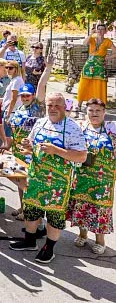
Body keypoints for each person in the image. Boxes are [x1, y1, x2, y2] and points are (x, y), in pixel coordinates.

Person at [9, 92, 88, 264]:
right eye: (49, 105)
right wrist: (28, 146)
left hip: (58, 184)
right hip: (36, 178)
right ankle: (29, 241)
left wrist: (56, 150)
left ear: (64, 108)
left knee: (53, 217)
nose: (52, 109)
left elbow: (82, 156)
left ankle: (49, 248)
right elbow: (33, 145)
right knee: (31, 211)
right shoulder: (40, 122)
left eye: (56, 106)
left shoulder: (72, 128)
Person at [67, 98, 115, 255]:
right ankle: (82, 235)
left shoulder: (111, 129)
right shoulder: (80, 127)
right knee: (80, 205)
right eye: (91, 110)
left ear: (103, 112)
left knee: (100, 208)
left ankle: (100, 241)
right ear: (86, 112)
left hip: (103, 179)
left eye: (98, 111)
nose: (94, 114)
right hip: (81, 175)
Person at [77, 23, 115, 108]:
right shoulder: (92, 39)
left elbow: (115, 52)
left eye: (102, 29)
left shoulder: (107, 41)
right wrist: (91, 34)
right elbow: (84, 43)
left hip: (99, 66)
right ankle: (79, 105)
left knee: (99, 84)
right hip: (89, 64)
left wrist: (107, 58)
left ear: (105, 31)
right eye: (99, 29)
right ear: (96, 30)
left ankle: (99, 106)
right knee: (84, 83)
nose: (100, 31)